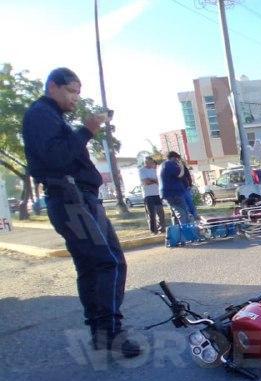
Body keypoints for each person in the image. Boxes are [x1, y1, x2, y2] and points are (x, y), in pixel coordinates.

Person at [21, 67, 140, 357]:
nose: (75, 98)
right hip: (70, 197)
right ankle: (108, 333)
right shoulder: (40, 114)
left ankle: (103, 332)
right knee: (105, 263)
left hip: (79, 198)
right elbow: (56, 157)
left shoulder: (52, 117)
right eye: (71, 91)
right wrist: (86, 130)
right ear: (53, 86)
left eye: (78, 92)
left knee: (97, 264)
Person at [160, 151, 191, 225]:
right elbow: (180, 174)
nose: (178, 161)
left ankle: (178, 232)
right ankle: (186, 232)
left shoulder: (163, 165)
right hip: (174, 194)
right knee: (183, 214)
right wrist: (182, 166)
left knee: (176, 214)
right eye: (178, 159)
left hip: (168, 194)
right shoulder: (169, 164)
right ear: (174, 158)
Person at [139, 156, 165, 234]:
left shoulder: (155, 170)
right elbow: (145, 182)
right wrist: (154, 180)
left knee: (160, 212)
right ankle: (153, 230)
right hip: (148, 195)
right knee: (151, 213)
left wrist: (151, 180)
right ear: (145, 162)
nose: (149, 163)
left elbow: (159, 181)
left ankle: (162, 229)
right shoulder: (142, 171)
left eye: (150, 161)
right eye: (147, 162)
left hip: (157, 194)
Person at [178, 156, 199, 222]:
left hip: (186, 188)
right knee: (185, 205)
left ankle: (195, 216)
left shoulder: (184, 168)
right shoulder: (174, 169)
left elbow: (188, 177)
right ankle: (189, 217)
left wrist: (189, 185)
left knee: (190, 202)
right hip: (179, 189)